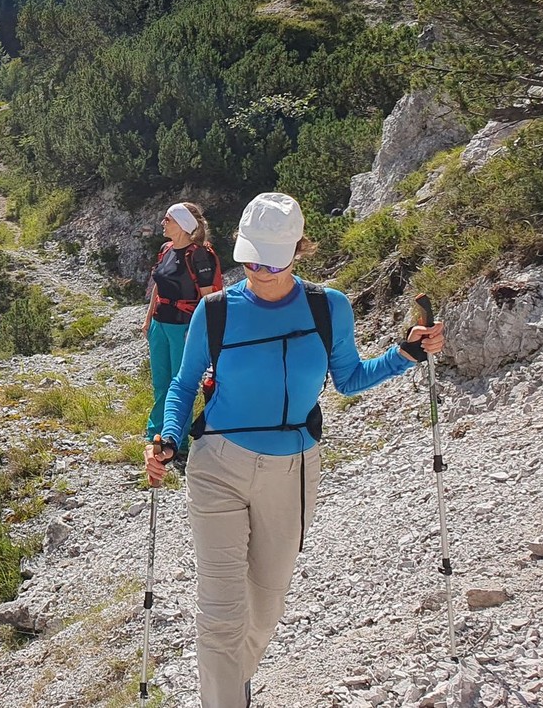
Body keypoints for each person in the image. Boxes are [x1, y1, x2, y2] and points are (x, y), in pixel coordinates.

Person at [143, 192, 444, 707]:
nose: (258, 269)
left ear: (298, 250)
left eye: (271, 257)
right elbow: (182, 384)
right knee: (220, 616)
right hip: (217, 466)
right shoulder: (216, 312)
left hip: (295, 471)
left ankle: (231, 686)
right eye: (251, 256)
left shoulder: (328, 307)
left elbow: (348, 379)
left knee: (265, 606)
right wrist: (169, 436)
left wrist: (405, 355)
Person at [142, 202, 221, 455]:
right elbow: (158, 286)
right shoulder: (166, 250)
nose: (163, 222)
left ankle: (177, 443)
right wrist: (147, 321)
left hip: (184, 328)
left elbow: (209, 299)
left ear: (183, 225)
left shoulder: (199, 255)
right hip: (160, 324)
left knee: (181, 385)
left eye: (168, 218)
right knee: (161, 382)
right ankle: (154, 434)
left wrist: (203, 334)